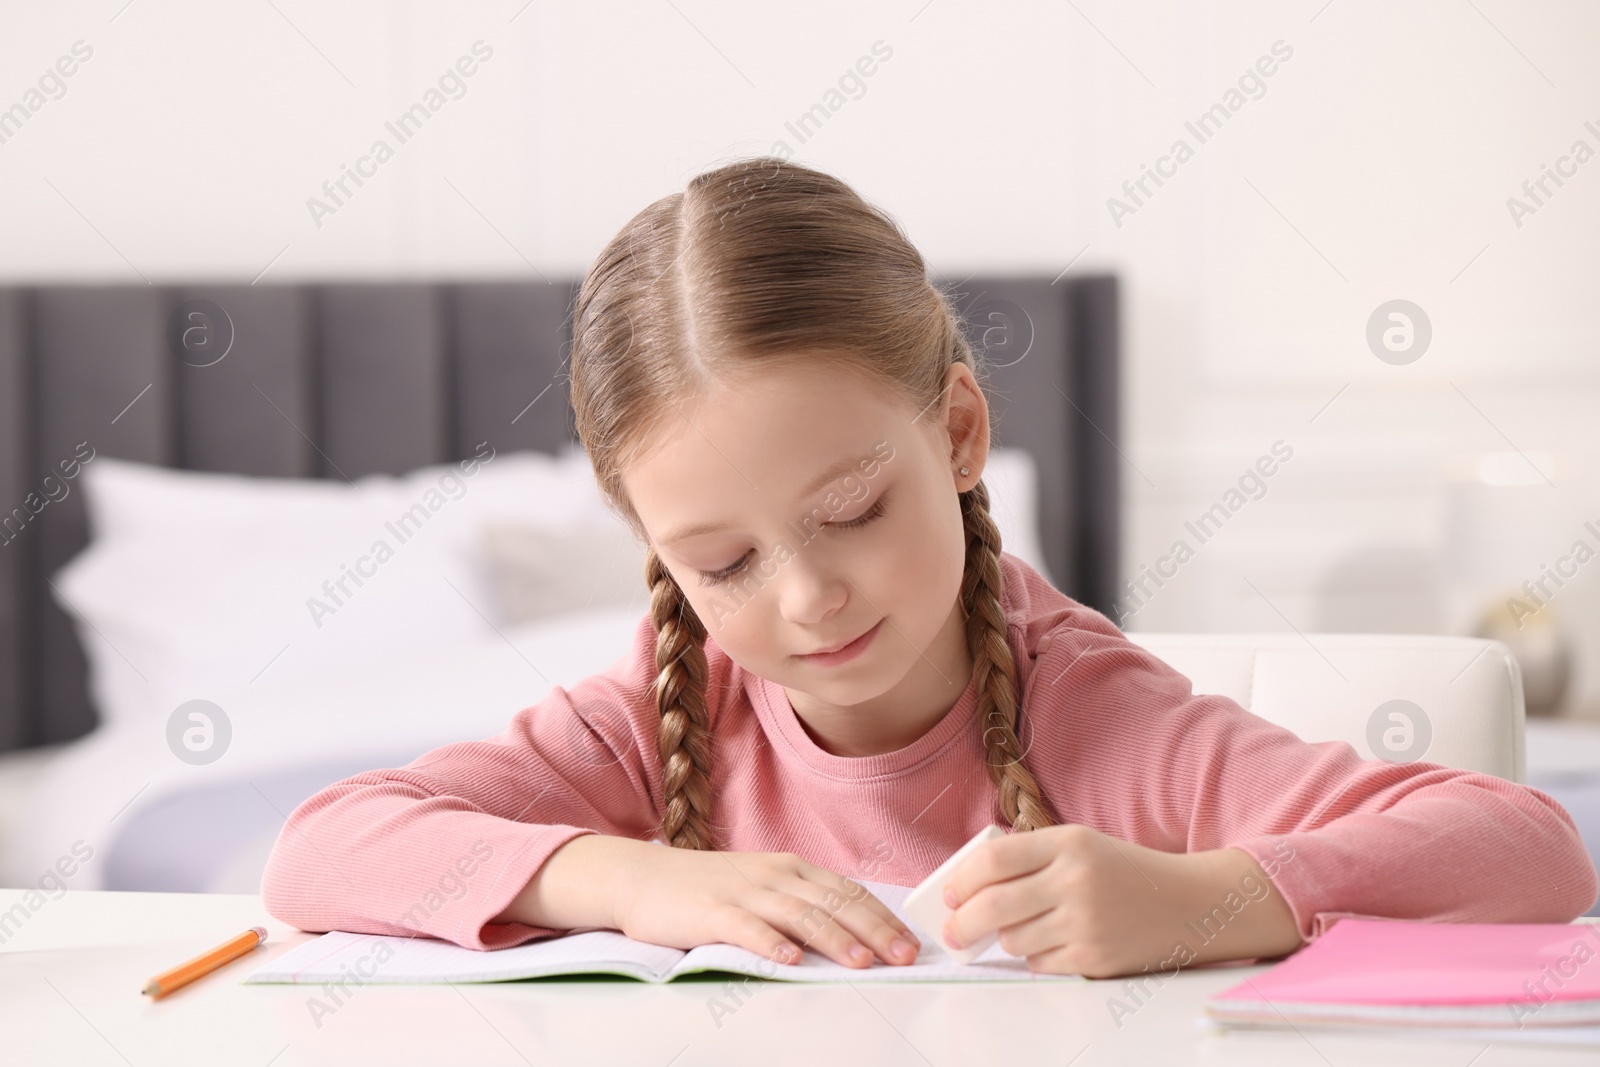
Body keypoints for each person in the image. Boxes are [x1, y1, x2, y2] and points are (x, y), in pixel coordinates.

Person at [262, 157, 1598, 978]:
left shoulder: (1097, 715)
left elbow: (1534, 853)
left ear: (959, 430)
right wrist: (641, 882)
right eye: (721, 562)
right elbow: (320, 852)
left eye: (853, 508)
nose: (806, 599)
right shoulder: (659, 720)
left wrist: (1204, 902)